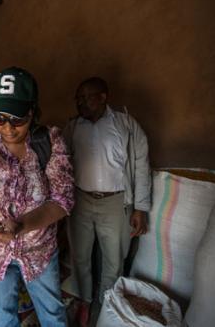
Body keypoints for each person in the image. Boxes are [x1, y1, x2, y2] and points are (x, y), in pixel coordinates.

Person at [0, 66, 74, 327]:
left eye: (18, 118)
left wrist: (21, 225)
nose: (8, 128)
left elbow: (62, 200)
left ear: (33, 111)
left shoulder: (50, 142)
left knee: (52, 313)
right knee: (3, 314)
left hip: (38, 248)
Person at [63, 77, 151, 326]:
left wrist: (141, 208)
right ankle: (84, 303)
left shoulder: (126, 125)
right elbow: (61, 165)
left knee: (114, 259)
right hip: (80, 200)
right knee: (80, 257)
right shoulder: (72, 128)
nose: (80, 102)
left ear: (103, 97)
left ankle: (106, 306)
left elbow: (141, 167)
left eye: (85, 97)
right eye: (77, 98)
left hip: (116, 202)